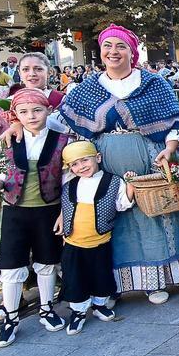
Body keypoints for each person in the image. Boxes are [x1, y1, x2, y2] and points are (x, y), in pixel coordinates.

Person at [56, 25, 179, 305]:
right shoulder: (89, 86)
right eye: (108, 46)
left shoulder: (153, 83)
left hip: (149, 157)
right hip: (106, 162)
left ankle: (155, 281)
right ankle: (111, 285)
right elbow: (59, 119)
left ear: (132, 51)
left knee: (153, 215)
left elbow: (176, 122)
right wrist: (15, 122)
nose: (113, 52)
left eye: (121, 46)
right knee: (111, 218)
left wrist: (171, 148)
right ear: (101, 51)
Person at [0, 88, 69, 346]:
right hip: (15, 210)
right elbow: (2, 170)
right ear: (15, 115)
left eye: (37, 110)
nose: (31, 116)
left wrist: (65, 211)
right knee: (11, 263)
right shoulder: (9, 139)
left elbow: (68, 179)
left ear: (48, 110)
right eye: (24, 112)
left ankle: (46, 308)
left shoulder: (62, 139)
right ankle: (11, 317)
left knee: (47, 260)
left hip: (48, 209)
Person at [58, 141, 133, 334]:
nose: (81, 166)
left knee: (101, 274)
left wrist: (131, 185)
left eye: (85, 160)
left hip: (100, 241)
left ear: (97, 158)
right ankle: (78, 312)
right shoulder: (69, 185)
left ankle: (100, 304)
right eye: (75, 164)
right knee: (75, 278)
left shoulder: (113, 182)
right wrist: (62, 221)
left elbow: (122, 204)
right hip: (73, 242)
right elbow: (66, 207)